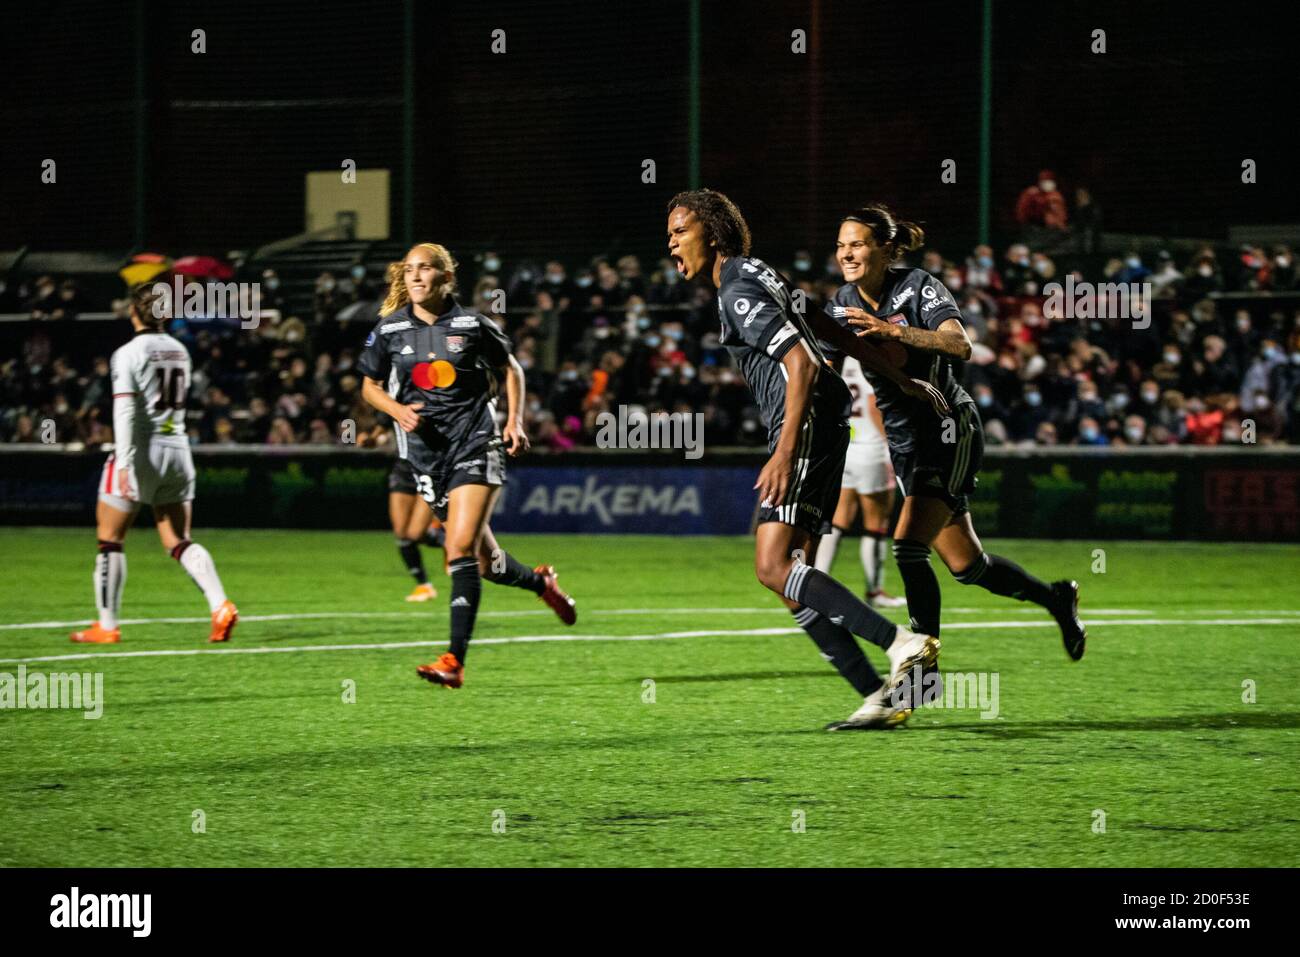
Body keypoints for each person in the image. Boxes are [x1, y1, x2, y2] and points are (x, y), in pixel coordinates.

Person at [666, 189, 947, 730]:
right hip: (825, 423)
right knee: (795, 578)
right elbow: (830, 328)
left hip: (806, 424)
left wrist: (785, 449)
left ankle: (902, 643)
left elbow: (801, 361)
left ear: (712, 232)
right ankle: (878, 696)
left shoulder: (737, 287)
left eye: (680, 231)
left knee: (772, 566)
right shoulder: (759, 273)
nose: (671, 242)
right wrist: (900, 380)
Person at [829, 204, 1086, 662]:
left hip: (948, 430)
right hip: (906, 443)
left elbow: (959, 344)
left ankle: (920, 668)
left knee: (908, 547)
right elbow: (825, 367)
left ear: (885, 249)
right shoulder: (840, 302)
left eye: (857, 244)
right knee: (968, 566)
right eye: (841, 245)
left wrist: (893, 331)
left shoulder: (918, 287)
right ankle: (1056, 599)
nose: (846, 254)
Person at [357, 243, 575, 689]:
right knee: (488, 563)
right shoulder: (390, 328)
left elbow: (511, 368)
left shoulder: (473, 324)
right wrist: (396, 411)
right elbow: (369, 387)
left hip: (475, 443)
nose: (416, 276)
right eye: (410, 269)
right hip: (424, 456)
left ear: (446, 277)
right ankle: (541, 584)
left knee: (457, 551)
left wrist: (513, 421)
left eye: (426, 269)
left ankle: (454, 661)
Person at [71, 279, 238, 644]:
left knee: (110, 538)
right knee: (178, 539)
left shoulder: (127, 352)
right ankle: (219, 604)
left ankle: (107, 625)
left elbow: (126, 410)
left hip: (142, 449)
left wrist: (126, 463)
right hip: (177, 449)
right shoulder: (180, 350)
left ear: (134, 312)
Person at [812, 355, 906, 608]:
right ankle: (874, 591)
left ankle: (816, 584)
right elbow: (875, 404)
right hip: (872, 449)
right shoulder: (869, 361)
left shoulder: (839, 363)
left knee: (839, 519)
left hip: (847, 448)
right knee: (876, 523)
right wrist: (891, 445)